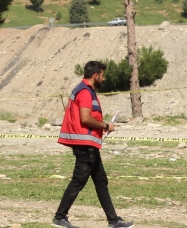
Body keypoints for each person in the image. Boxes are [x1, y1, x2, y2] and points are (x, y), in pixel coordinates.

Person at [53, 60, 133, 228]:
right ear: (96, 75)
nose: (104, 79)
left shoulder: (86, 90)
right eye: (103, 75)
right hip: (84, 145)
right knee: (79, 180)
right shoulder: (85, 92)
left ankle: (113, 220)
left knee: (100, 180)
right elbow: (86, 118)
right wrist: (105, 125)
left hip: (88, 144)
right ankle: (60, 217)